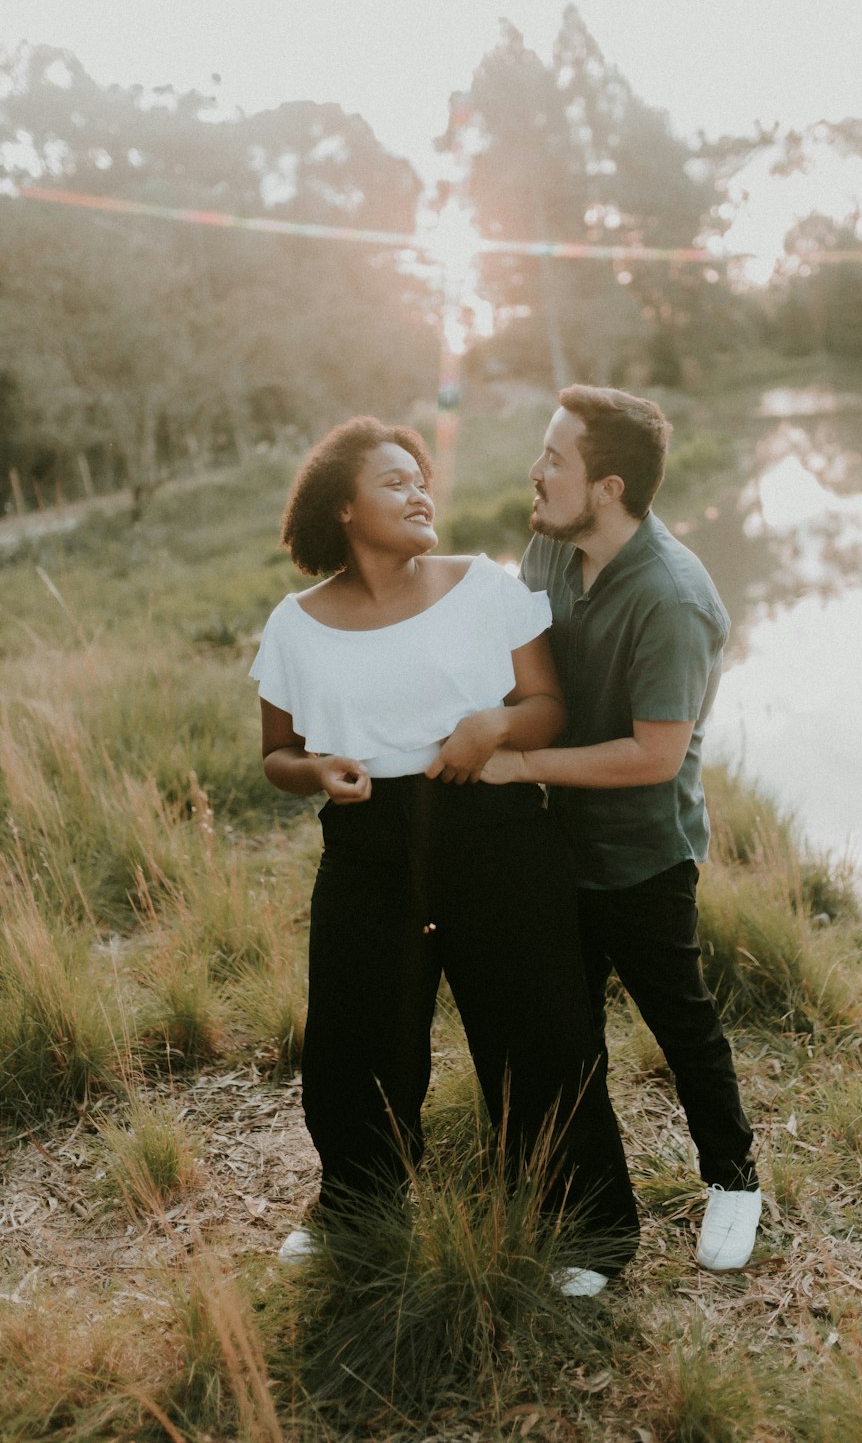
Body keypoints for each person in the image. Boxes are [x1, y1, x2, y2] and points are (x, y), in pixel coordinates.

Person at [249, 414, 638, 1294]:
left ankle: (584, 1231)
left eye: (421, 477)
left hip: (492, 826)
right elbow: (275, 757)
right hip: (366, 845)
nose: (419, 491)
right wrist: (316, 772)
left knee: (538, 1029)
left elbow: (546, 707)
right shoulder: (295, 625)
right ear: (342, 509)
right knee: (356, 1041)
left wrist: (495, 723)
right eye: (393, 481)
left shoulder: (483, 586)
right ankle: (356, 1205)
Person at [481, 385, 761, 1273]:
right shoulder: (550, 548)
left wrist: (522, 766)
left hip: (643, 857)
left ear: (606, 487)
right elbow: (516, 662)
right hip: (551, 846)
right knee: (564, 1033)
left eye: (554, 458)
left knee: (679, 1023)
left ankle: (735, 1178)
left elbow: (652, 756)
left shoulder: (674, 599)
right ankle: (594, 1213)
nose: (535, 471)